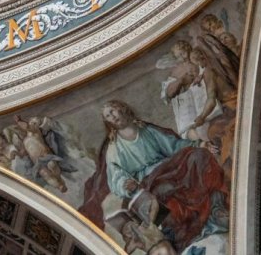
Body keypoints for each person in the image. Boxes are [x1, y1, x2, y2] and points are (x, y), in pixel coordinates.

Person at [80, 100, 228, 254]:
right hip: (150, 180)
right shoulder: (114, 147)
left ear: (122, 109)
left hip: (171, 167)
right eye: (108, 116)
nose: (112, 116)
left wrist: (199, 145)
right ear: (108, 122)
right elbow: (115, 176)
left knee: (199, 156)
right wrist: (126, 184)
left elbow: (173, 146)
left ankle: (216, 207)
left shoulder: (146, 130)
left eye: (113, 110)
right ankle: (194, 223)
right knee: (167, 190)